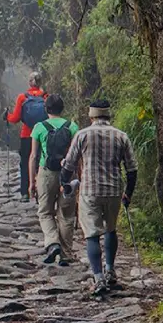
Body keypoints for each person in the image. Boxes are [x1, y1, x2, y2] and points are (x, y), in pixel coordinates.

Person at [60, 99, 138, 297]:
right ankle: (110, 270)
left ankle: (98, 278)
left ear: (91, 115)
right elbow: (131, 169)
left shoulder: (82, 135)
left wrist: (65, 183)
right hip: (113, 190)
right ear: (108, 115)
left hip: (89, 191)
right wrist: (128, 193)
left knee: (92, 234)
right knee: (111, 229)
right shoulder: (121, 136)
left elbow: (69, 164)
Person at [29, 94, 79, 266]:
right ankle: (65, 254)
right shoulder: (72, 126)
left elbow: (33, 156)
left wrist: (32, 182)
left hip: (46, 173)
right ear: (62, 108)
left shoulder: (39, 127)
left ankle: (52, 243)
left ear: (46, 109)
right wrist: (77, 178)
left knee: (45, 212)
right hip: (68, 173)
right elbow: (75, 156)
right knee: (66, 215)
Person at [5, 71, 48, 202]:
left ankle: (25, 193)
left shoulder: (22, 98)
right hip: (42, 135)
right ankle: (41, 193)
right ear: (41, 82)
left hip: (26, 135)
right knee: (41, 163)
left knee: (25, 163)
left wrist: (6, 116)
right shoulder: (46, 97)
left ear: (29, 83)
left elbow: (15, 118)